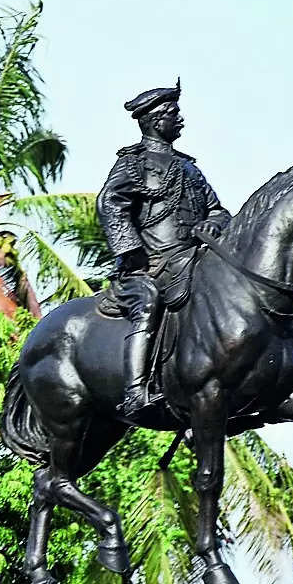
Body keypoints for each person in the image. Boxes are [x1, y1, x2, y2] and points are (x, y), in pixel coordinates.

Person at [97, 80, 231, 418]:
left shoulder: (190, 169)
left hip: (192, 259)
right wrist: (131, 249)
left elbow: (217, 209)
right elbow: (109, 202)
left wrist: (213, 223)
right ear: (156, 120)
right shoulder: (133, 164)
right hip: (149, 266)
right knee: (147, 304)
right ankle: (135, 392)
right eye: (174, 114)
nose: (180, 119)